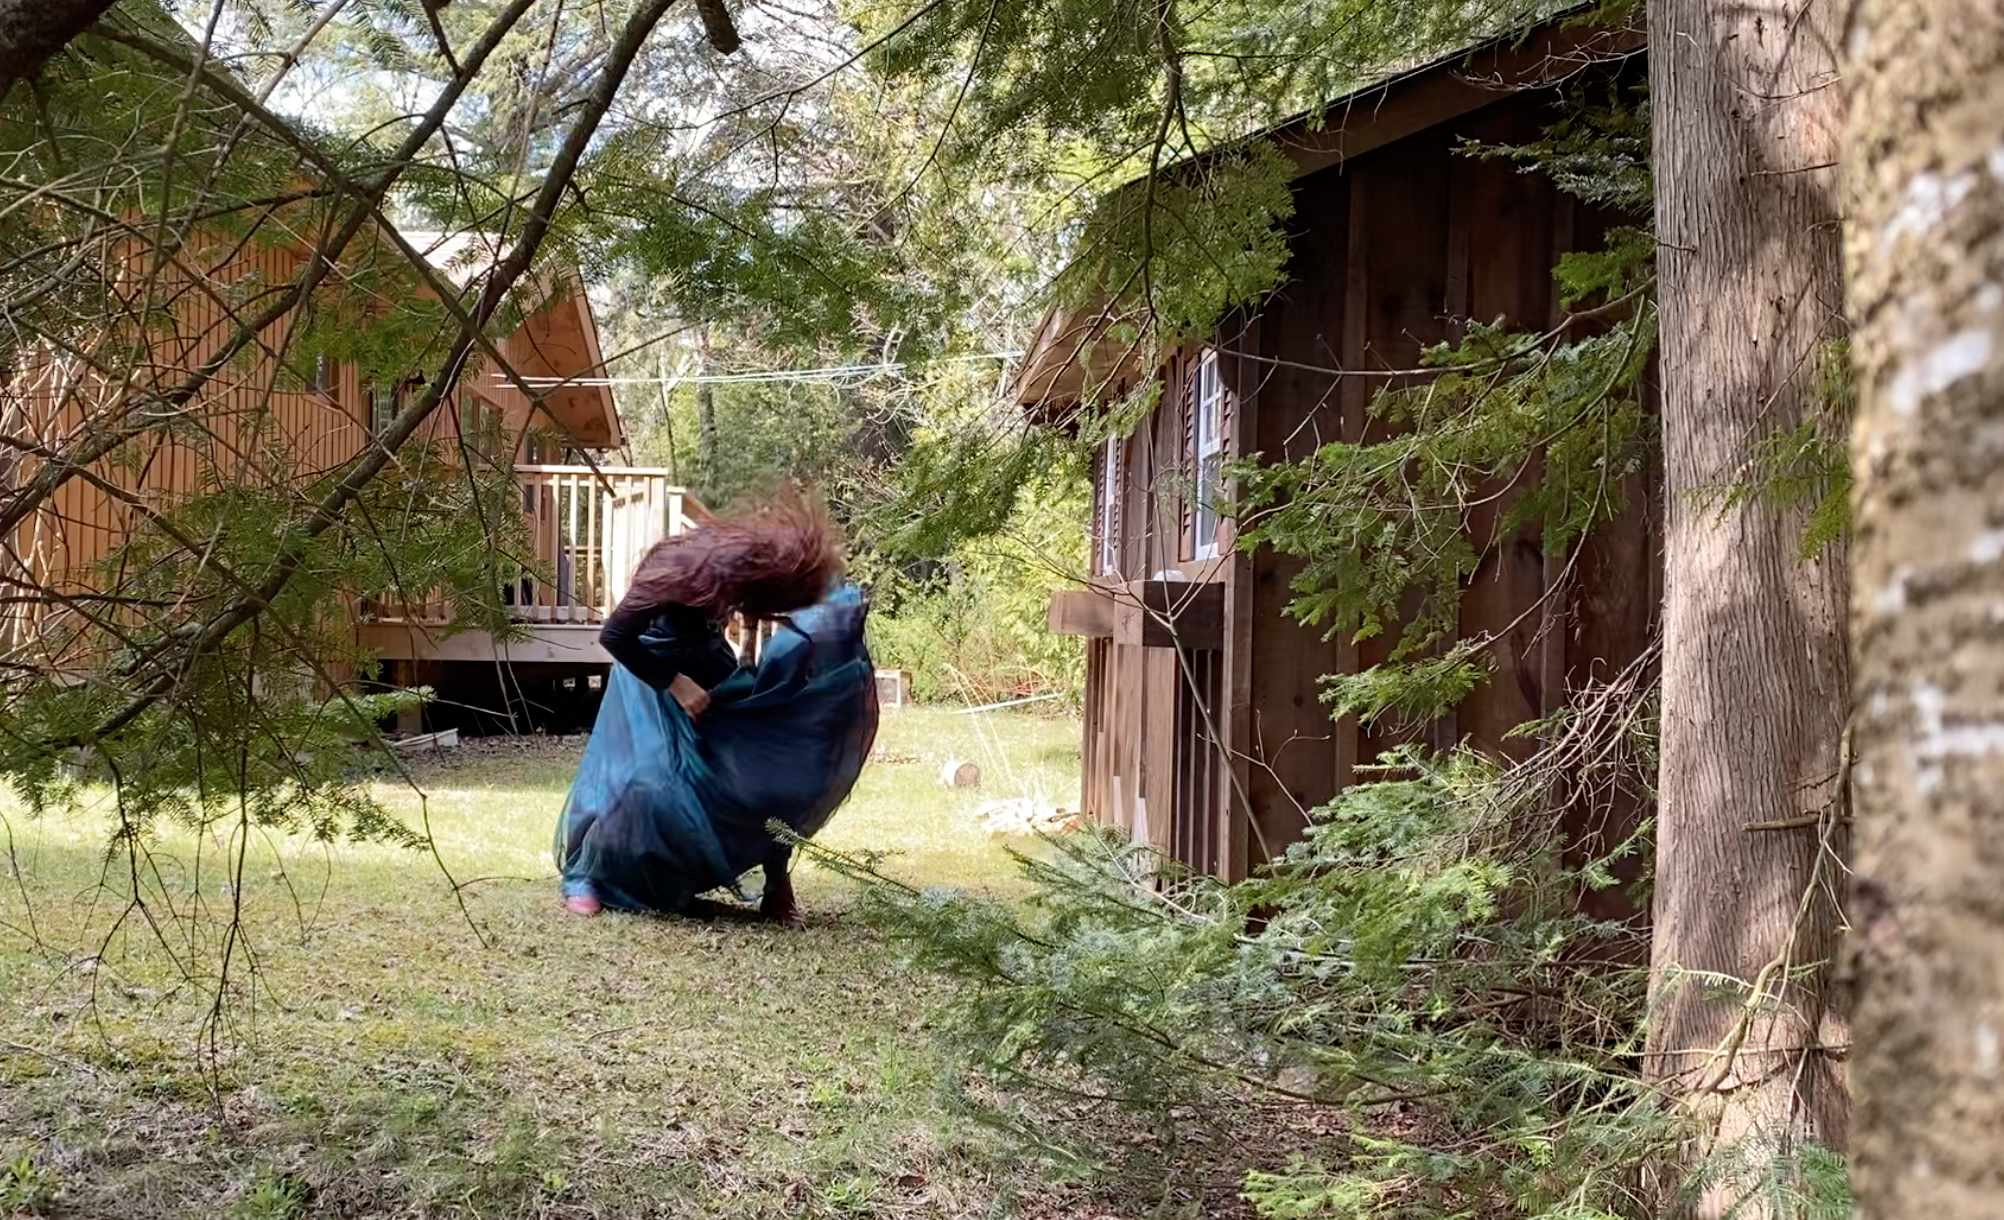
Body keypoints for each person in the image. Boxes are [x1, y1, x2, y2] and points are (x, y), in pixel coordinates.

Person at [552, 489, 878, 924]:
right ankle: (587, 877)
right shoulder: (673, 568)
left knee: (764, 771)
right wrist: (675, 683)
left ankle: (777, 885)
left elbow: (785, 618)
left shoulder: (744, 567)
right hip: (651, 671)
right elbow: (615, 637)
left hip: (709, 665)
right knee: (644, 778)